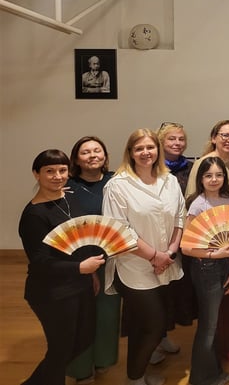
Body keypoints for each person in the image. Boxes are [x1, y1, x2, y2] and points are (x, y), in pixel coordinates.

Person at [103, 129, 185, 385]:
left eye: (150, 147)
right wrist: (155, 256)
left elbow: (180, 218)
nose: (146, 152)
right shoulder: (118, 185)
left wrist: (169, 253)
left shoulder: (169, 180)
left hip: (166, 262)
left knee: (146, 326)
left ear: (158, 150)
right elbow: (118, 231)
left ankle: (136, 375)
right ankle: (136, 378)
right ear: (130, 153)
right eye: (139, 148)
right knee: (152, 325)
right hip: (134, 267)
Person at [19, 149, 105, 385]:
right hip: (52, 292)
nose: (57, 176)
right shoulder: (34, 215)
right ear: (36, 174)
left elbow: (80, 240)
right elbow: (40, 262)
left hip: (80, 284)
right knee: (60, 349)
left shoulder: (68, 198)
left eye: (62, 170)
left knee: (84, 339)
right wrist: (80, 268)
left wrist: (91, 273)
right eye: (49, 171)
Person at [186, 120, 229, 362]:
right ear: (214, 137)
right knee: (210, 312)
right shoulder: (202, 165)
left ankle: (226, 346)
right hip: (206, 253)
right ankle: (209, 356)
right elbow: (191, 211)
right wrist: (209, 252)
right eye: (225, 135)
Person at [64, 137, 121, 385]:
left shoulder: (115, 182)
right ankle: (81, 370)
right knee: (80, 317)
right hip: (78, 260)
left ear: (105, 155)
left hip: (111, 258)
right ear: (76, 159)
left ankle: (103, 360)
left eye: (97, 150)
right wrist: (83, 266)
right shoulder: (67, 186)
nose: (92, 155)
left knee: (108, 314)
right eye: (85, 152)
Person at [181, 157, 229, 385]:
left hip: (224, 267)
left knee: (213, 324)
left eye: (218, 175)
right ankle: (200, 378)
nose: (214, 179)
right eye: (208, 175)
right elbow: (186, 247)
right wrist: (215, 255)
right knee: (208, 326)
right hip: (206, 268)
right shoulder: (197, 205)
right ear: (201, 179)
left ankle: (213, 373)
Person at [157, 122, 195, 349]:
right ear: (161, 142)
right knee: (159, 288)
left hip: (186, 234)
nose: (177, 143)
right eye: (172, 139)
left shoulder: (190, 168)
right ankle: (155, 338)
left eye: (181, 139)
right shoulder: (154, 167)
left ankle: (165, 334)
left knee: (176, 287)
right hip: (160, 236)